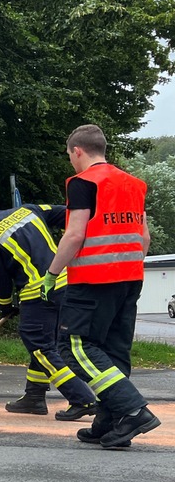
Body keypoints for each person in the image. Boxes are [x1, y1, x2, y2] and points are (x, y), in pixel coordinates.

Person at [43, 124, 160, 449]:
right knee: (114, 351)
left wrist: (53, 273)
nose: (70, 162)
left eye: (69, 156)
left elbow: (75, 234)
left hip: (93, 281)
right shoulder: (134, 184)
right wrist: (129, 267)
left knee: (75, 347)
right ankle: (110, 421)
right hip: (130, 279)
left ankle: (135, 411)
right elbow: (144, 236)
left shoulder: (83, 183)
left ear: (77, 151)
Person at [0, 199, 98, 420]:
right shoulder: (28, 210)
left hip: (38, 292)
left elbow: (0, 280)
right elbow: (67, 214)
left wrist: (4, 306)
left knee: (40, 346)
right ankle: (34, 397)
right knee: (44, 343)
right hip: (65, 283)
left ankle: (82, 398)